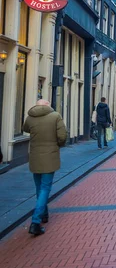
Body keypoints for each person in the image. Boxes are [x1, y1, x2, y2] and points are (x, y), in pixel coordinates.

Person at [23, 99, 67, 236]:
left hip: (35, 156)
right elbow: (62, 136)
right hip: (50, 156)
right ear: (48, 105)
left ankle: (44, 214)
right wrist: (57, 144)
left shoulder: (30, 117)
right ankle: (35, 222)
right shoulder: (55, 116)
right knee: (45, 187)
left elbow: (25, 129)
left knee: (39, 187)